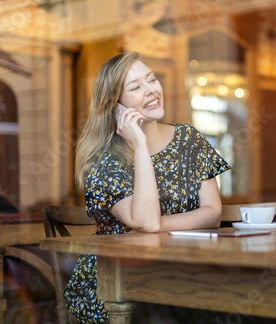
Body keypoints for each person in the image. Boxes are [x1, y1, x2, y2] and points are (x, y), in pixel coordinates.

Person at [64, 52, 231, 323]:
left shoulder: (188, 138)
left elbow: (212, 214)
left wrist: (153, 225)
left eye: (151, 79)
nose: (151, 90)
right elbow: (145, 220)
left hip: (179, 275)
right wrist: (140, 144)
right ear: (114, 106)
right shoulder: (103, 160)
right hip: (114, 285)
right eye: (135, 87)